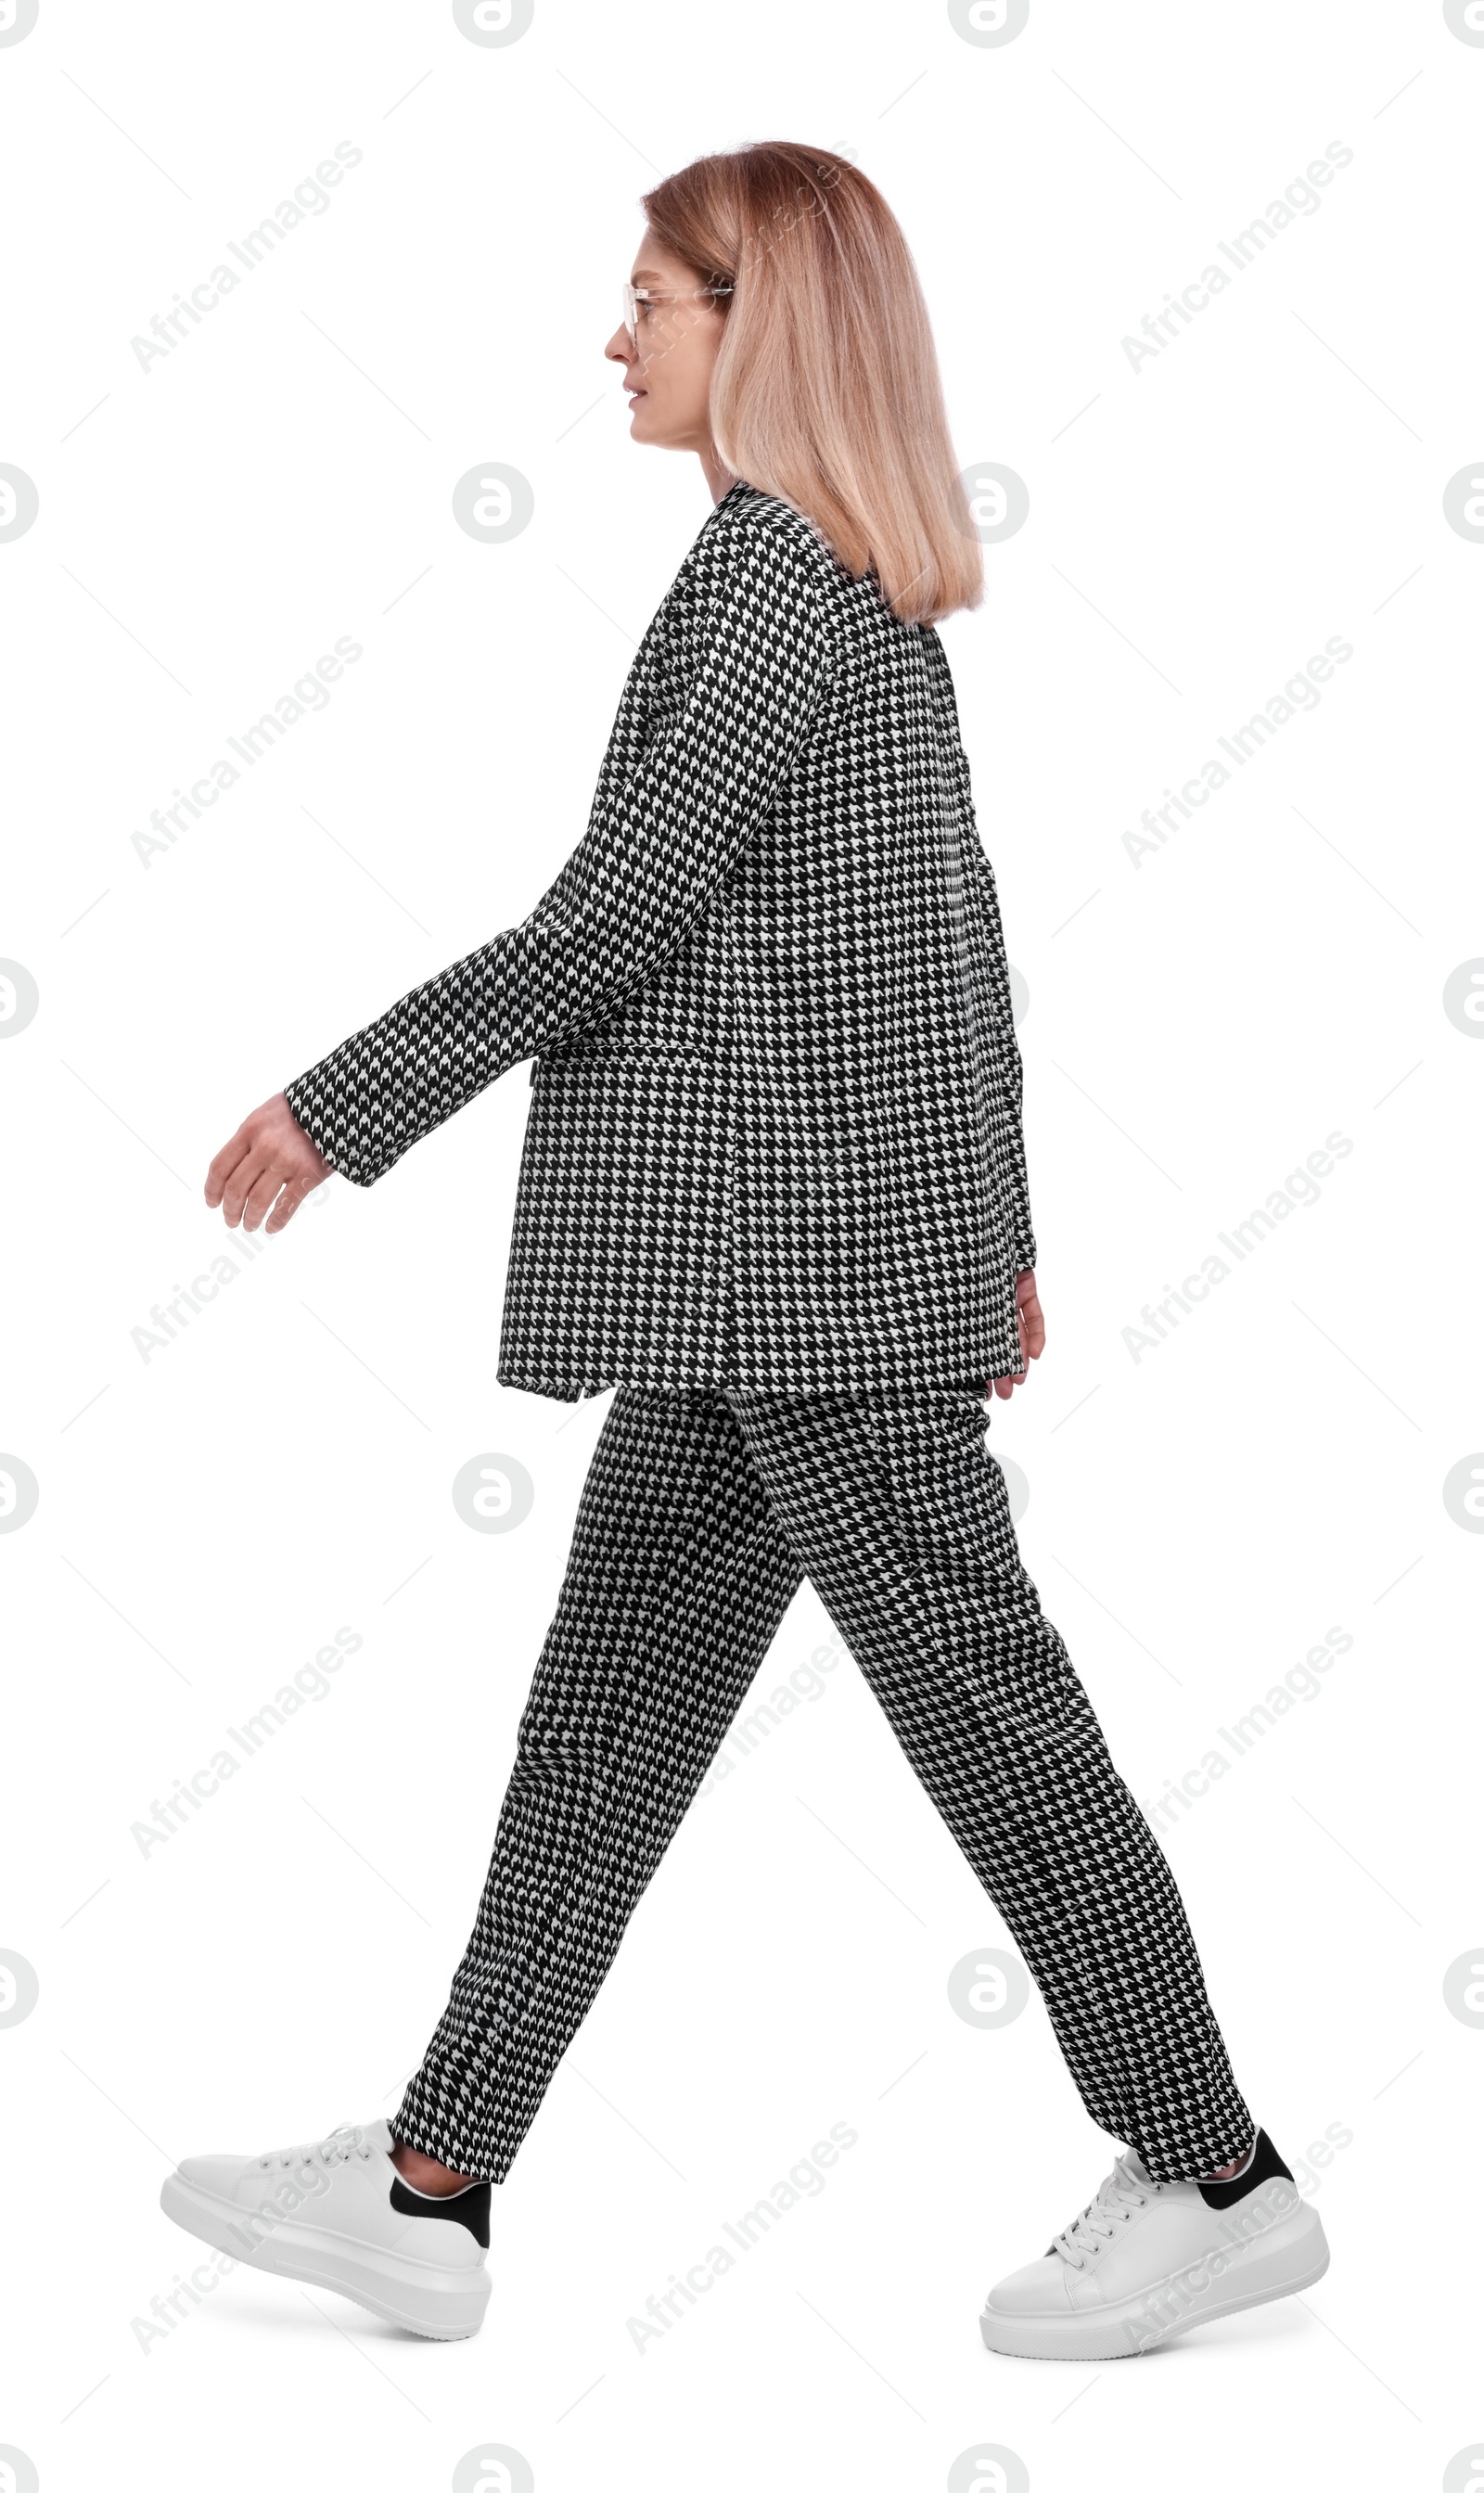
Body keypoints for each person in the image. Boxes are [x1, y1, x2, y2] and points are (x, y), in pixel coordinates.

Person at [160, 141, 1328, 2357]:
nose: (614, 336)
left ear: (756, 323)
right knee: (603, 1727)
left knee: (992, 1726)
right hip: (762, 1288)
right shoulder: (824, 588)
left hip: (804, 1293)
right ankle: (433, 2183)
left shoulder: (769, 584)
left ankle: (1213, 2169)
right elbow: (951, 938)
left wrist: (343, 1102)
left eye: (652, 299)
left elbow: (617, 918)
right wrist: (995, 1230)